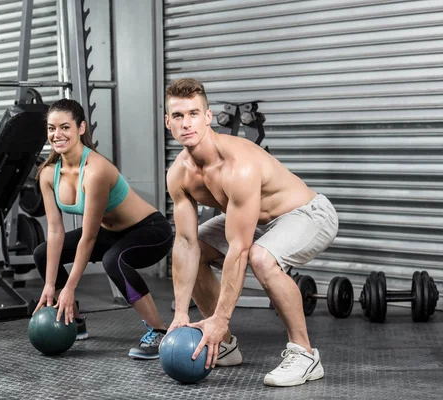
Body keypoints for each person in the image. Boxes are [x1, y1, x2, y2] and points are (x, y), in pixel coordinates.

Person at [164, 78, 339, 387]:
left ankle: (305, 354)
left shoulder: (237, 166)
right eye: (178, 116)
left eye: (193, 114)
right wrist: (180, 313)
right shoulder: (179, 175)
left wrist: (222, 317)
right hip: (258, 221)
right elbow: (186, 242)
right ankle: (225, 345)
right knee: (200, 247)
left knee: (259, 257)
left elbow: (239, 249)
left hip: (310, 214)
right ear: (168, 122)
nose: (186, 123)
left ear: (207, 117)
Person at [32, 98, 173, 360]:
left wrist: (70, 286)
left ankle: (159, 331)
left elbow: (89, 236)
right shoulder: (48, 174)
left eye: (65, 127)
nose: (57, 134)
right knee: (42, 253)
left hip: (150, 230)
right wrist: (51, 285)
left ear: (81, 128)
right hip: (111, 233)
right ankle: (70, 317)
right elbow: (54, 231)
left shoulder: (96, 170)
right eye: (52, 128)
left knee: (114, 259)